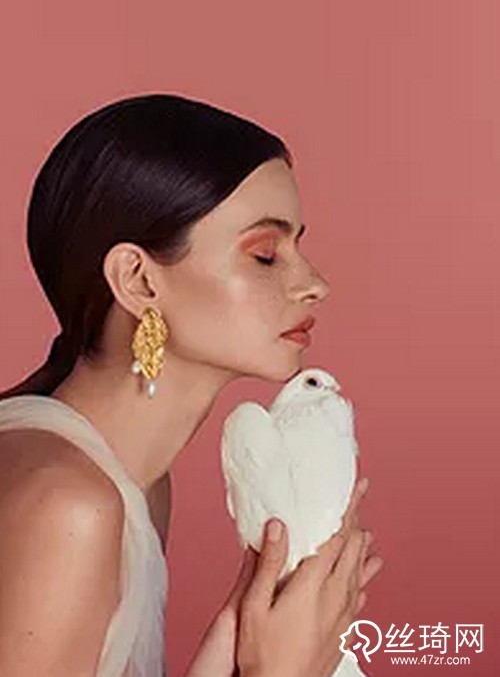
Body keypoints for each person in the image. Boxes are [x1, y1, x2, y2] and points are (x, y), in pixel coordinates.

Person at [0, 94, 383, 677]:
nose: (314, 284)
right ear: (138, 280)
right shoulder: (70, 506)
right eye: (264, 255)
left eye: (297, 247)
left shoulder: (138, 483)